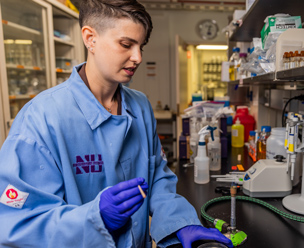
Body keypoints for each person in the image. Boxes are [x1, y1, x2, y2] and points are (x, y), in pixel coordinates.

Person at [0, 0, 233, 247]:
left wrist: (181, 222)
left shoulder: (140, 105)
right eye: (126, 44)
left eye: (141, 46)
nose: (138, 57)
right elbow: (16, 224)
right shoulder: (42, 117)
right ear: (90, 38)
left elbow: (158, 181)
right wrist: (94, 219)